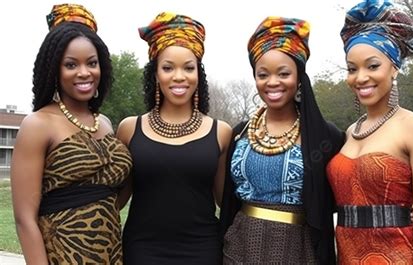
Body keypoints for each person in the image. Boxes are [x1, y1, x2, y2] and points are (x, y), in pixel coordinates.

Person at [10, 3, 132, 264]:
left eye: (92, 63)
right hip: (64, 256)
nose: (84, 72)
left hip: (112, 253)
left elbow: (111, 195)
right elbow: (24, 218)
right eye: (70, 64)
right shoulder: (38, 124)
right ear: (54, 70)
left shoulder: (106, 123)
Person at [219, 16, 345, 264]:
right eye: (262, 74)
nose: (272, 82)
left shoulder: (326, 137)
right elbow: (226, 197)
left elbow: (341, 196)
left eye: (283, 73)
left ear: (299, 77)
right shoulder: (240, 133)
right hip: (240, 247)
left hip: (299, 250)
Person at [326, 0, 413, 264]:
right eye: (352, 68)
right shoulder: (349, 132)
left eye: (373, 65)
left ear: (395, 67)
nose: (361, 77)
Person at [116, 12, 232, 264]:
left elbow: (225, 202)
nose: (179, 76)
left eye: (188, 68)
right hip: (142, 251)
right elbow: (117, 198)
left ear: (198, 74)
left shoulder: (221, 132)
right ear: (155, 74)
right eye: (168, 68)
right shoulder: (129, 129)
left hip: (202, 251)